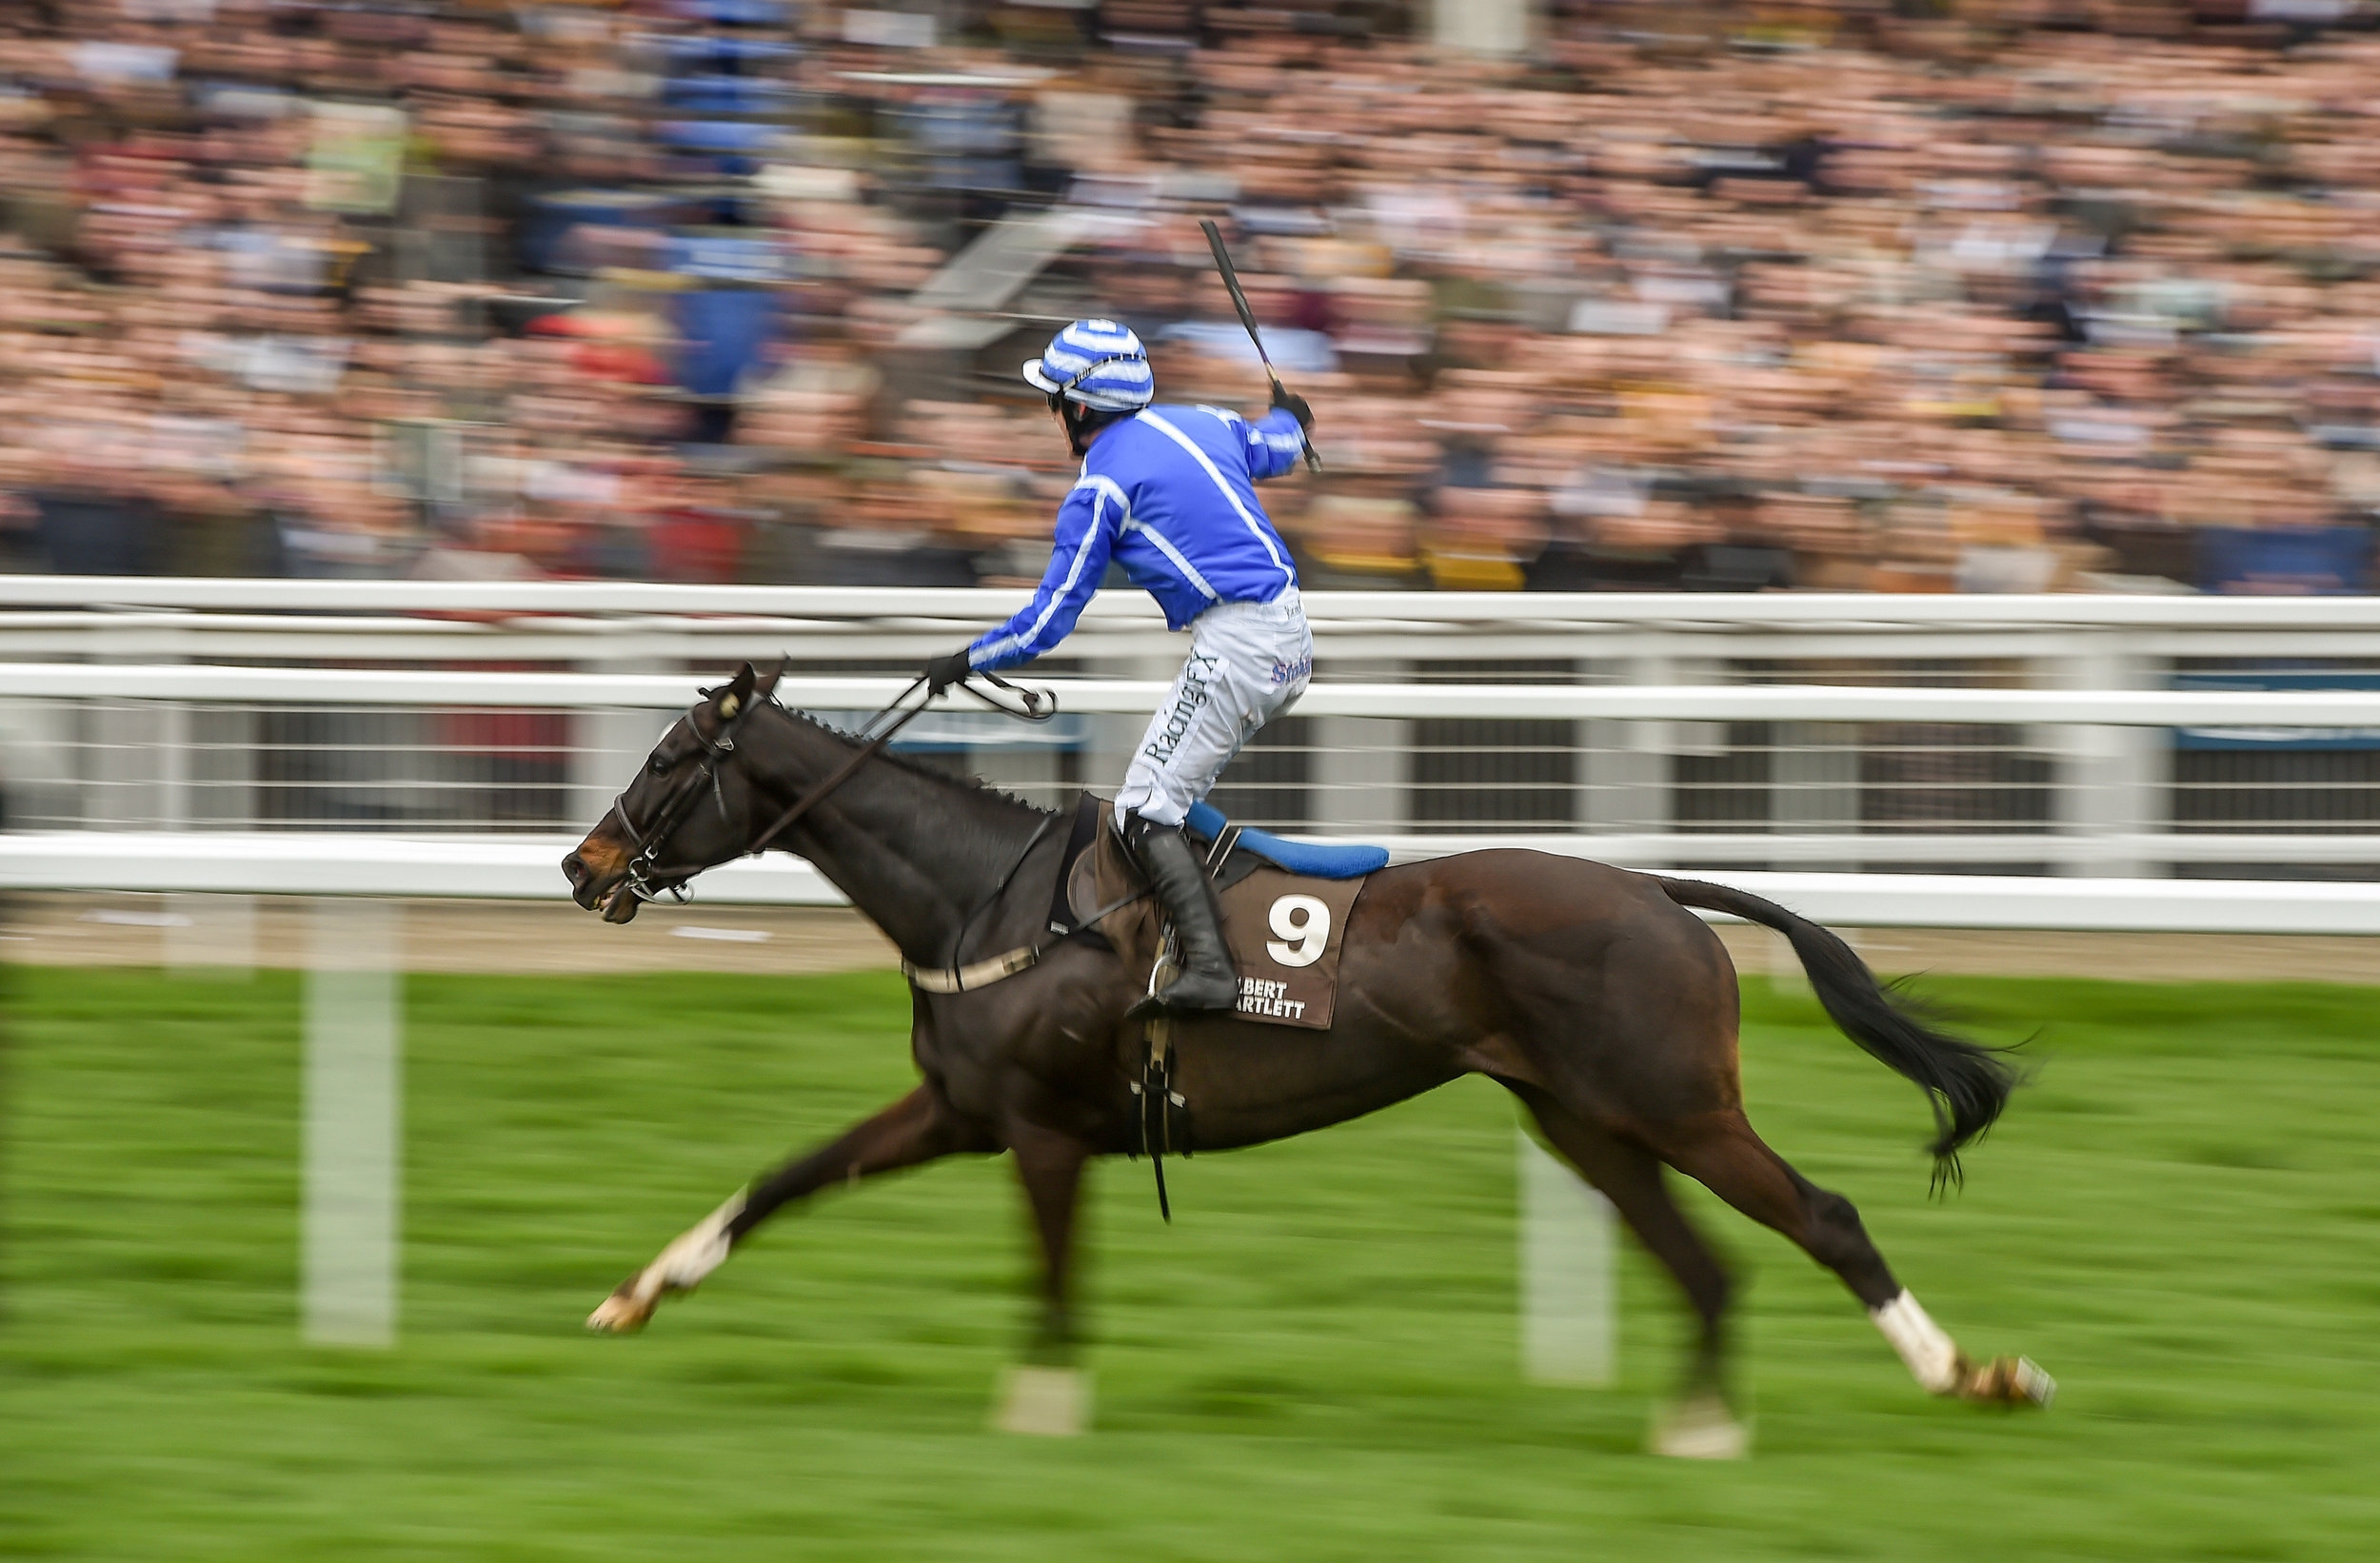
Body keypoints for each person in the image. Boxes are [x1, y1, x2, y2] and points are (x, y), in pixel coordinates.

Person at [924, 319, 1316, 1013]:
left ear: (1077, 408)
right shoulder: (1207, 422)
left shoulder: (1099, 490)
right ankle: (1182, 937)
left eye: (1054, 401)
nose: (1052, 414)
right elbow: (1279, 447)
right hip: (1284, 634)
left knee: (1142, 811)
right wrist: (1292, 416)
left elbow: (1048, 624)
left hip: (1241, 647)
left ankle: (1214, 969)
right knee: (1160, 801)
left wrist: (967, 659)